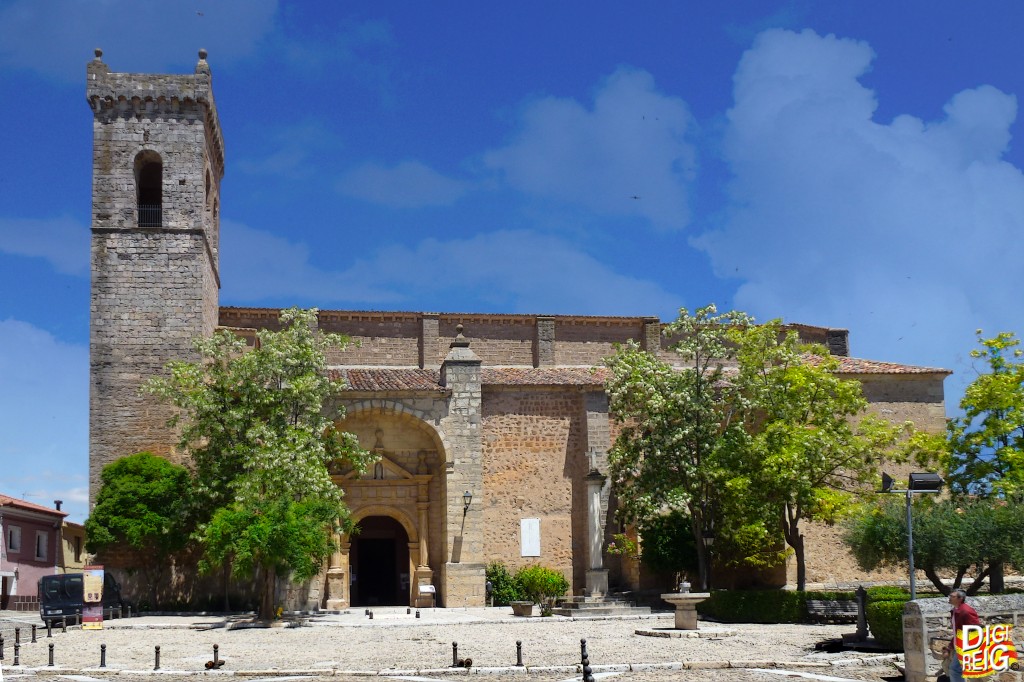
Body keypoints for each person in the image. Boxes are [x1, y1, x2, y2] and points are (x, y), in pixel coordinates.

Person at [947, 588, 980, 682]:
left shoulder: (966, 611)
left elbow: (975, 628)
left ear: (960, 598)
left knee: (955, 669)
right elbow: (957, 631)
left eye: (952, 596)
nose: (949, 598)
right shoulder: (955, 610)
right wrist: (950, 646)